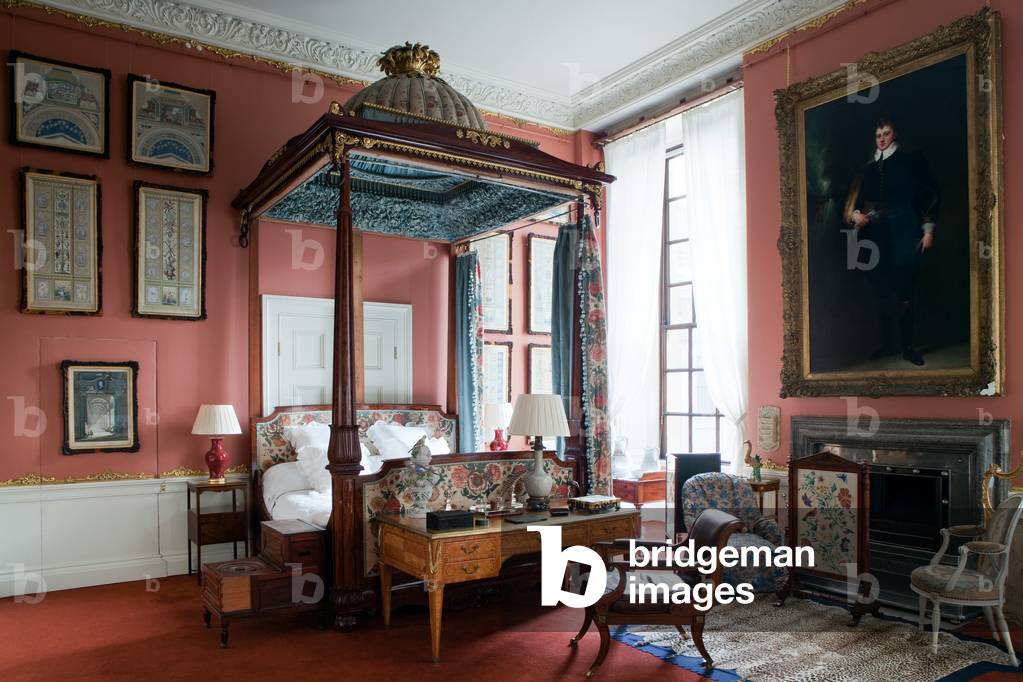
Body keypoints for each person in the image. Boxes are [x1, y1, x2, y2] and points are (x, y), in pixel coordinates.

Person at [843, 117, 940, 366]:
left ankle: (907, 347)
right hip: (876, 236)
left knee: (904, 290)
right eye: (878, 135)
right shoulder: (867, 169)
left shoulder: (910, 161)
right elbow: (853, 203)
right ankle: (887, 345)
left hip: (905, 231)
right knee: (882, 289)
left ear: (894, 134)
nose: (882, 139)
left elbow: (929, 194)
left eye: (886, 133)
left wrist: (928, 229)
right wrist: (856, 214)